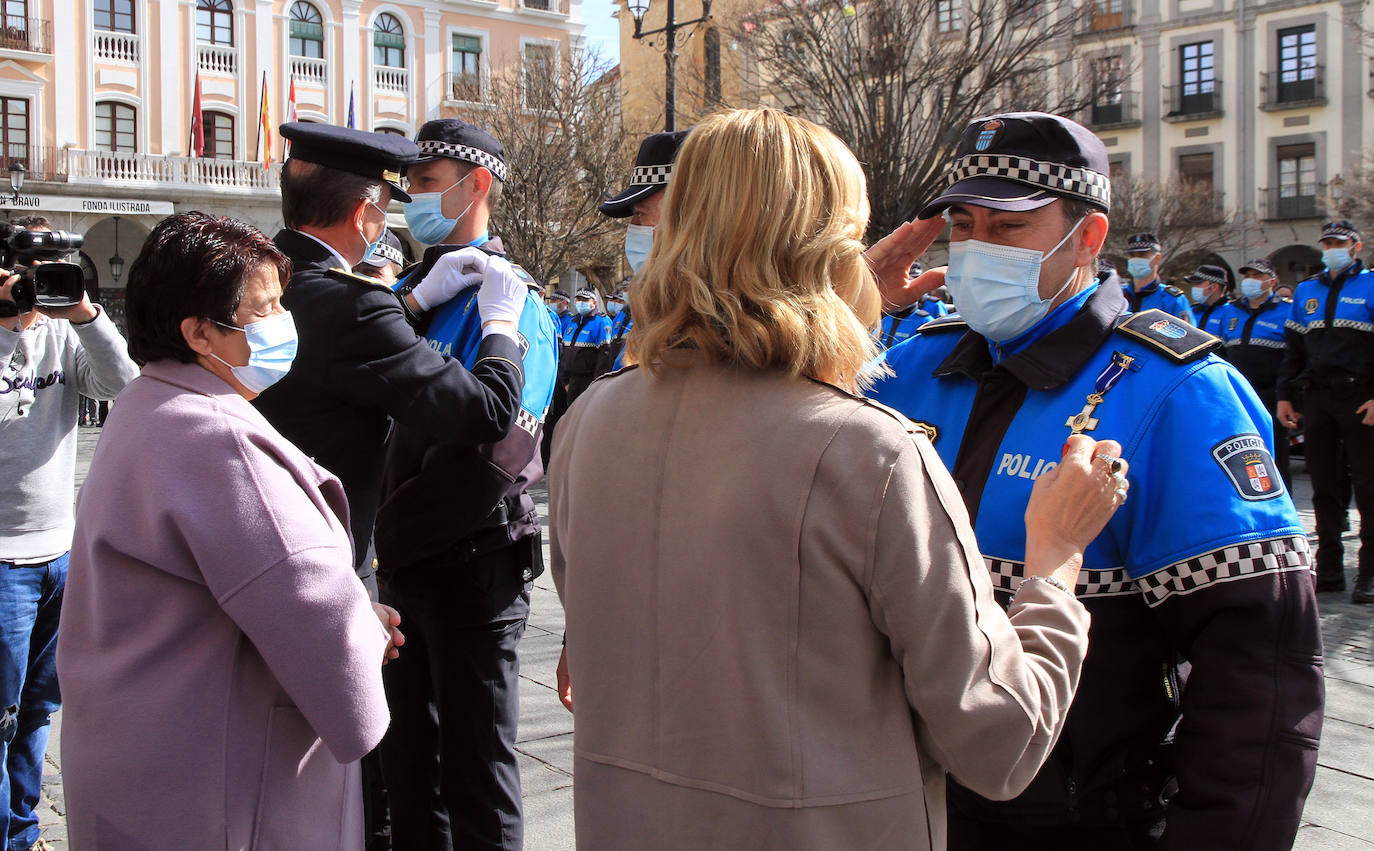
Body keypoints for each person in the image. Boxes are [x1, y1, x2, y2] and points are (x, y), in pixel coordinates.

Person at [550, 106, 1127, 849]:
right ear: (828, 250)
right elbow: (998, 740)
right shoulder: (873, 454)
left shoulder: (592, 419)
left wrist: (856, 317)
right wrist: (1054, 564)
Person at [865, 111, 1322, 848]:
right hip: (893, 805)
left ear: (1088, 238)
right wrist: (846, 306)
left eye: (1007, 227)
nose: (976, 247)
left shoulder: (1180, 392)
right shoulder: (906, 365)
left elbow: (1259, 672)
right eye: (963, 223)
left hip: (1071, 818)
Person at [57, 212, 404, 848]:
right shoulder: (218, 439)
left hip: (144, 754)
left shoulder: (148, 404)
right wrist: (363, 628)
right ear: (199, 333)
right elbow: (312, 609)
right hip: (224, 781)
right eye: (263, 310)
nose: (281, 325)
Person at [375, 117, 559, 850]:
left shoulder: (512, 298)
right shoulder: (411, 290)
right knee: (408, 770)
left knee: (478, 777)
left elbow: (498, 451)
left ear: (475, 184)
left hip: (470, 562)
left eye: (423, 183)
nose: (410, 198)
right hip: (400, 563)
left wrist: (386, 536)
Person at [252, 122, 527, 599]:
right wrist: (500, 324)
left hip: (257, 536)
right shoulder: (355, 303)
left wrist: (412, 306)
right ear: (363, 215)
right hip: (325, 561)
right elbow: (490, 412)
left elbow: (337, 350)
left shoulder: (262, 277)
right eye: (385, 207)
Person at [0, 226, 137, 851]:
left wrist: (85, 313)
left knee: (37, 710)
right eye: (24, 268)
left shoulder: (61, 331)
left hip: (59, 552)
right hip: (2, 560)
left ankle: (24, 831)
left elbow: (121, 384)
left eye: (46, 269)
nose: (32, 282)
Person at [1277, 219, 1374, 603]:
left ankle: (1369, 574)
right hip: (1317, 398)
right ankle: (1330, 571)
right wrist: (1285, 396)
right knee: (1323, 488)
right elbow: (1293, 350)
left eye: (1339, 242)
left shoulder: (1370, 283)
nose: (1331, 247)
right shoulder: (1306, 291)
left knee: (1368, 489)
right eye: (1327, 242)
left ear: (1355, 246)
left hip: (1360, 398)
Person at [1218, 258, 1291, 487]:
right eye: (1248, 275)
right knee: (1239, 459)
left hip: (1270, 397)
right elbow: (1221, 354)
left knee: (1275, 457)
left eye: (1257, 276)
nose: (1251, 281)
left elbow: (1292, 357)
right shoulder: (1231, 311)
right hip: (1237, 397)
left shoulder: (1286, 310)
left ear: (1272, 280)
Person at [1122, 232, 1192, 322]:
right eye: (1132, 255)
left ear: (1157, 258)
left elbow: (1187, 334)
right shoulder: (1120, 295)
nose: (1135, 259)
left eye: (1142, 255)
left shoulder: (1172, 299)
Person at [1185, 263, 1232, 335]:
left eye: (1198, 284)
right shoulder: (1192, 311)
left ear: (1214, 287)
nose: (1194, 287)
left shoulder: (1232, 312)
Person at [604, 288, 632, 368]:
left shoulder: (638, 315)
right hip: (614, 366)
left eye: (619, 301)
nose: (615, 304)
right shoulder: (620, 316)